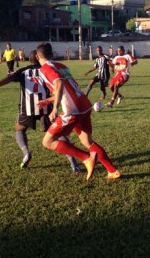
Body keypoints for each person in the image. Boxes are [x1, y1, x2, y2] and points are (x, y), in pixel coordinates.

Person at [36, 42, 121, 181]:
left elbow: (59, 84)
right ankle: (113, 171)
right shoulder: (62, 66)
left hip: (72, 110)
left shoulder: (45, 69)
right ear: (52, 54)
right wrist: (49, 100)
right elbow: (67, 88)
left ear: (38, 56)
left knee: (47, 141)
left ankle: (86, 158)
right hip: (84, 105)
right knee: (87, 141)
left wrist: (55, 107)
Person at [0, 50, 80, 172]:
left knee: (19, 129)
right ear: (39, 59)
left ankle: (26, 153)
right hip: (46, 107)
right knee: (58, 134)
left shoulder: (23, 71)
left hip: (27, 108)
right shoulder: (46, 70)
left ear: (30, 59)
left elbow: (9, 78)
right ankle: (74, 163)